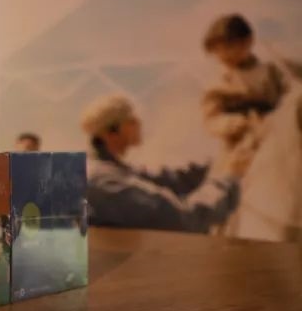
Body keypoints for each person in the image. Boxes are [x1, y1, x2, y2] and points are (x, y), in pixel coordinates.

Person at [82, 94, 250, 233]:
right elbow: (185, 219)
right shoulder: (106, 183)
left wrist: (218, 160)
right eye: (131, 121)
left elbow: (167, 180)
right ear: (111, 132)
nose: (139, 124)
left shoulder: (106, 169)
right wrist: (229, 177)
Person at [201, 13, 302, 154]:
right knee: (234, 167)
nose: (223, 54)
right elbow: (211, 120)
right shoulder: (218, 85)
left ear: (248, 41)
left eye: (229, 46)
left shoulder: (273, 71)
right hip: (240, 146)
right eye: (217, 50)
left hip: (280, 133)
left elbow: (292, 96)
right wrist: (234, 123)